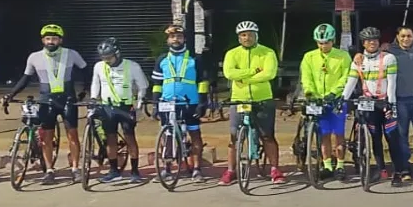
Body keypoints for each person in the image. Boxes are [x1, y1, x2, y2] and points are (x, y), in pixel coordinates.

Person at [3, 23, 89, 184]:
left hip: (68, 100)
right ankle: (49, 170)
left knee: (73, 135)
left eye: (54, 39)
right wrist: (11, 94)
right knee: (46, 138)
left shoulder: (72, 54)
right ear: (43, 40)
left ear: (60, 40)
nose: (51, 42)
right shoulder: (34, 57)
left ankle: (75, 168)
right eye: (48, 38)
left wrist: (84, 90)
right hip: (46, 101)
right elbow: (26, 78)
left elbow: (86, 71)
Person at [343, 26, 408, 186]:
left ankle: (398, 172)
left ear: (379, 42)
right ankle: (381, 169)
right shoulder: (358, 61)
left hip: (385, 101)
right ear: (363, 43)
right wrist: (342, 99)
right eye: (368, 40)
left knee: (392, 138)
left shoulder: (388, 58)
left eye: (374, 40)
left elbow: (392, 83)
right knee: (375, 138)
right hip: (368, 104)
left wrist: (391, 104)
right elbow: (351, 82)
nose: (372, 43)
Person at [222, 21, 285, 185]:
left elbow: (269, 74)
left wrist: (243, 78)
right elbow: (229, 73)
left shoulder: (267, 52)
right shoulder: (232, 53)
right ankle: (230, 170)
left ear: (256, 36)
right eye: (243, 35)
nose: (247, 38)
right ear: (239, 38)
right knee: (234, 138)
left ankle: (275, 169)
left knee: (267, 136)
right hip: (239, 99)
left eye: (250, 34)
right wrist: (253, 72)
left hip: (262, 98)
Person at [151, 25, 210, 181]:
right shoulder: (162, 59)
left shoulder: (195, 58)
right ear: (168, 40)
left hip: (190, 102)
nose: (175, 39)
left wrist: (202, 102)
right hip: (167, 102)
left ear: (184, 39)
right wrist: (155, 103)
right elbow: (157, 84)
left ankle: (196, 169)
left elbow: (203, 81)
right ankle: (166, 169)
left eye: (179, 36)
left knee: (195, 134)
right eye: (172, 37)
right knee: (166, 136)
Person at [89, 37, 148, 184]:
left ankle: (135, 171)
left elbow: (143, 85)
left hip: (125, 106)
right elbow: (95, 83)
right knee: (111, 139)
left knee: (130, 137)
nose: (106, 60)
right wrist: (93, 98)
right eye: (103, 57)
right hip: (107, 107)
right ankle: (114, 171)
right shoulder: (98, 66)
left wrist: (139, 103)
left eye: (109, 57)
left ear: (117, 53)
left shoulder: (132, 66)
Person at [299, 23, 352, 180]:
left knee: (339, 134)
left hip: (336, 99)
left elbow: (346, 77)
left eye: (326, 43)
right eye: (320, 43)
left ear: (333, 41)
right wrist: (309, 92)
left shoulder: (343, 56)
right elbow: (306, 77)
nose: (323, 46)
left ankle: (340, 165)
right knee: (324, 134)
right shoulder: (309, 57)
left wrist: (334, 92)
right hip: (317, 100)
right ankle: (327, 164)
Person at [385, 25, 413, 181]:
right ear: (397, 37)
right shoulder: (389, 52)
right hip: (400, 100)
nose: (406, 39)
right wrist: (358, 54)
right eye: (403, 36)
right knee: (401, 135)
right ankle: (404, 168)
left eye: (409, 36)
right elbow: (370, 53)